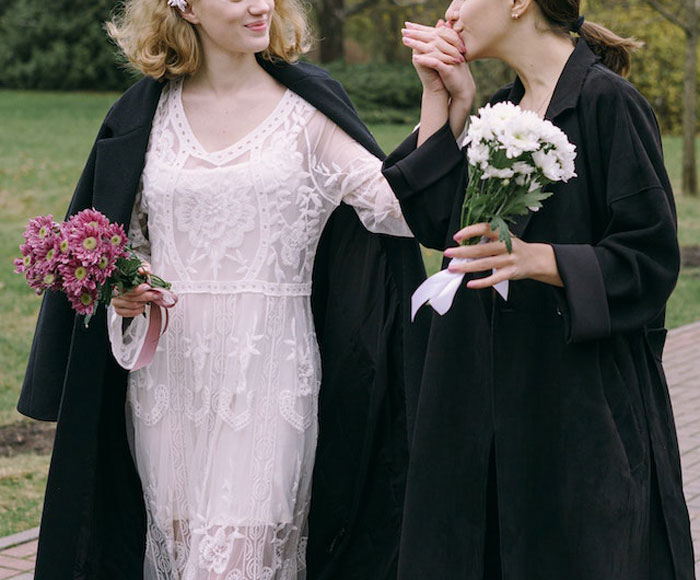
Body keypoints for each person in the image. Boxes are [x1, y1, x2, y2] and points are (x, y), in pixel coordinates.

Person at [17, 0, 429, 578]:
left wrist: (439, 98)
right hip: (169, 383)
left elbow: (401, 210)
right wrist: (126, 290)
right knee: (181, 553)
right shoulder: (143, 116)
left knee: (233, 563)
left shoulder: (308, 115)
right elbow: (129, 241)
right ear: (185, 5)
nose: (261, 5)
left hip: (269, 376)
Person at [382, 0, 695, 577]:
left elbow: (650, 261)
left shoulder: (608, 103)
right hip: (475, 399)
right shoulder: (500, 110)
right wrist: (444, 101)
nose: (450, 10)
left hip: (574, 408)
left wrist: (540, 259)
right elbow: (440, 230)